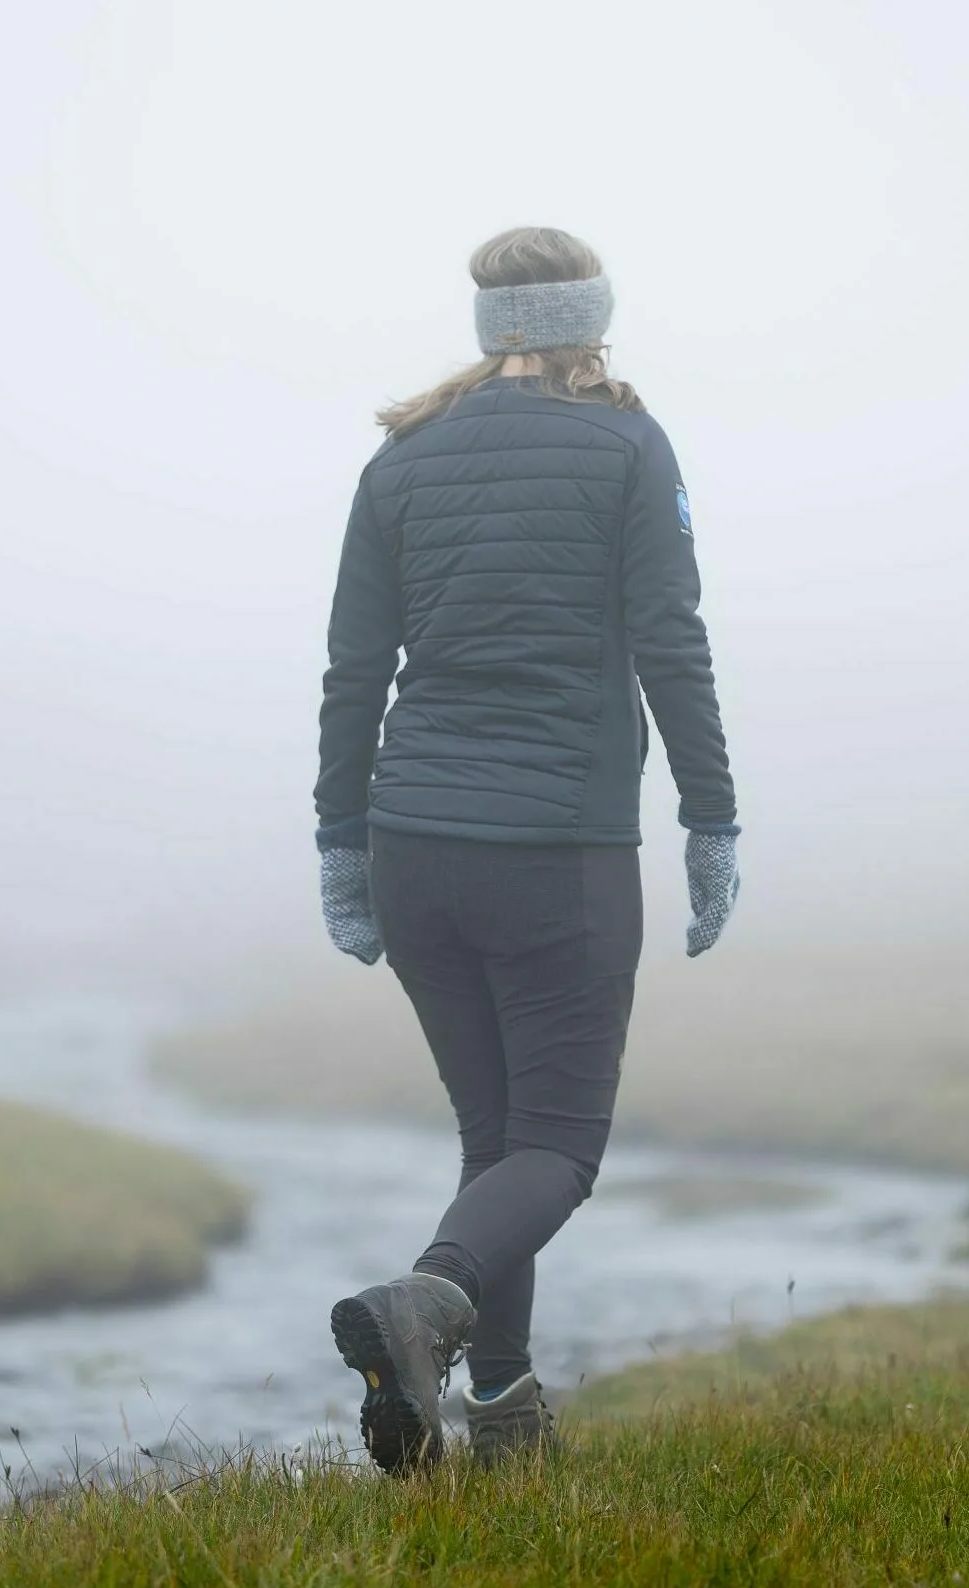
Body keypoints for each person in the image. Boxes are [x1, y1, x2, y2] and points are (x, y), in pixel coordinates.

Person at [312, 226, 741, 1473]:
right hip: (559, 853)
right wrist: (709, 819)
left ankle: (499, 1406)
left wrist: (342, 842)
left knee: (498, 1136)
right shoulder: (624, 443)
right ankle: (430, 1300)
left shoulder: (402, 457)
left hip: (414, 846)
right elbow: (673, 641)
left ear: (490, 326)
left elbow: (353, 669)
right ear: (587, 322)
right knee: (558, 1147)